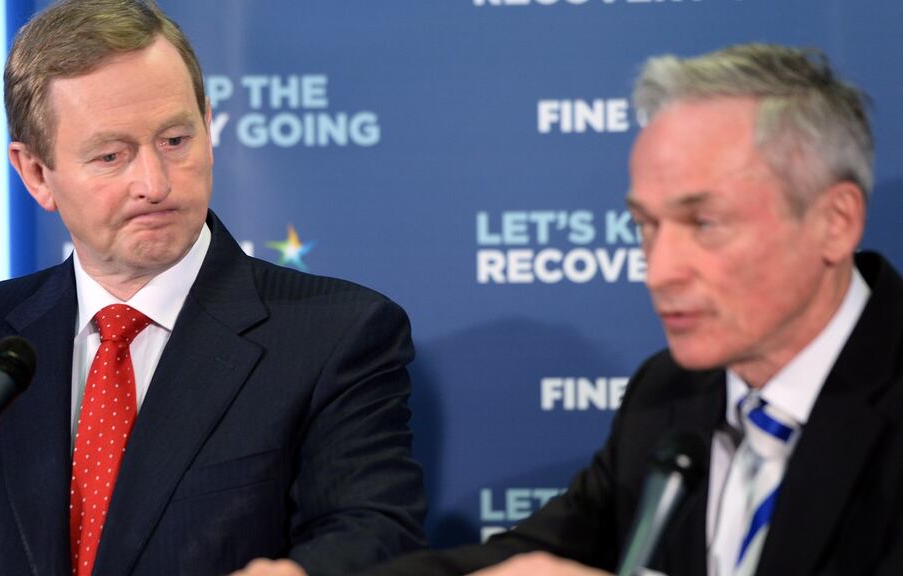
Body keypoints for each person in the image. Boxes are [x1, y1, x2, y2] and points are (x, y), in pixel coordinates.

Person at [0, 1, 426, 575]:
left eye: (173, 140)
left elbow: (374, 534)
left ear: (208, 128)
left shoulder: (334, 335)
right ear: (36, 173)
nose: (154, 184)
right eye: (111, 156)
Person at [361, 43, 903, 576]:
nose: (658, 270)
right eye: (645, 227)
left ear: (835, 221)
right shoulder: (668, 393)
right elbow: (532, 558)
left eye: (704, 224)